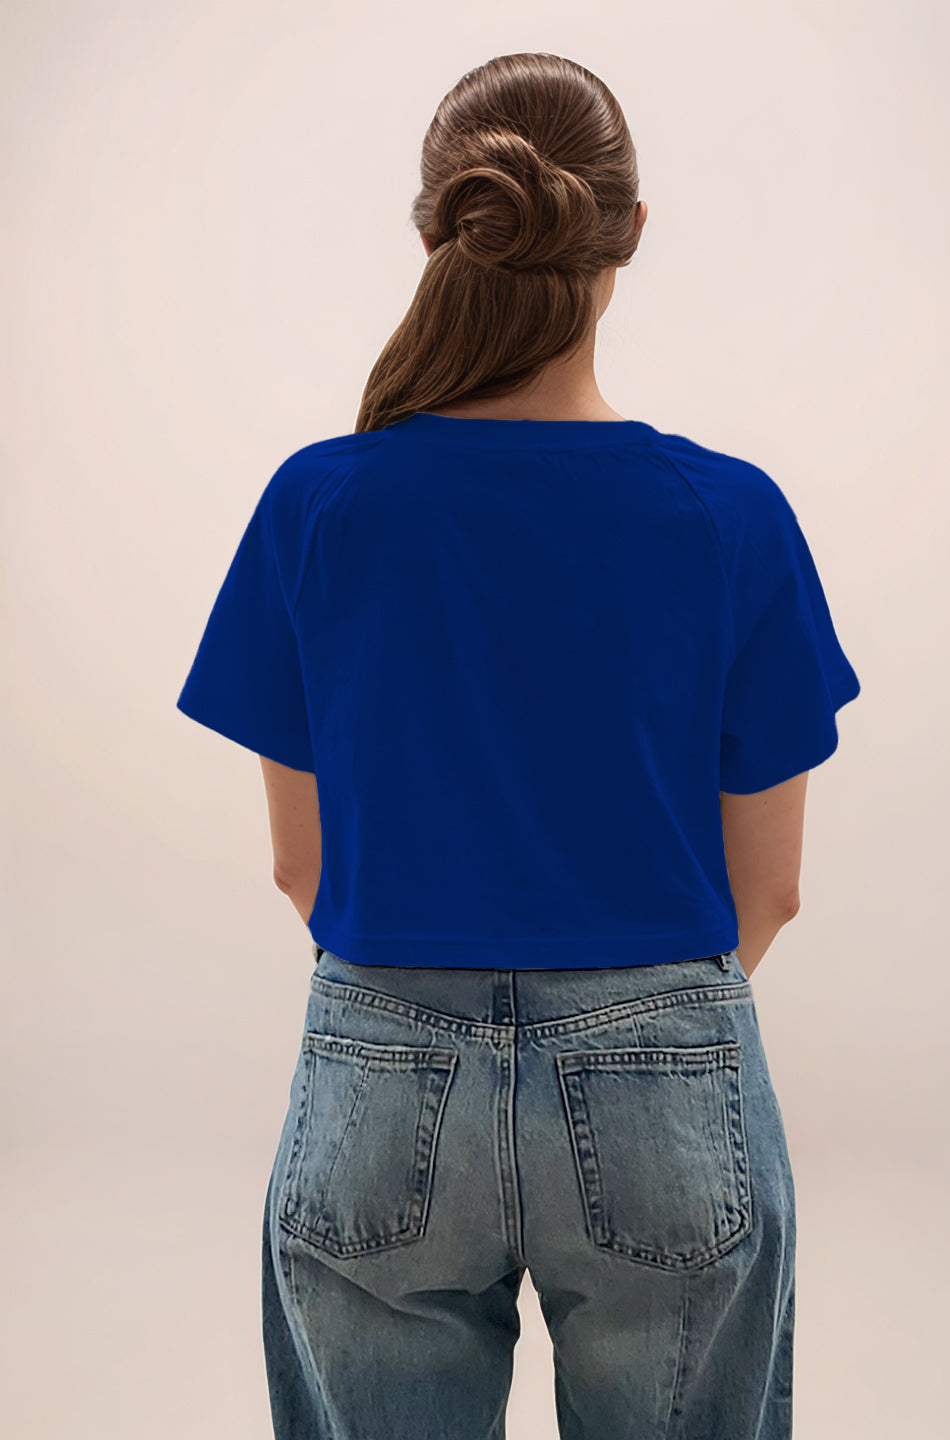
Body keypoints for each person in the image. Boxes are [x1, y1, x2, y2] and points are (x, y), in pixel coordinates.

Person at [176, 50, 860, 1440]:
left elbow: (304, 869)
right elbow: (770, 892)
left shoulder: (320, 504)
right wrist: (626, 1026)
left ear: (438, 227)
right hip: (668, 1069)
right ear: (630, 234)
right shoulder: (730, 516)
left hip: (378, 1068)